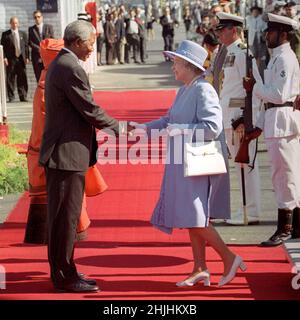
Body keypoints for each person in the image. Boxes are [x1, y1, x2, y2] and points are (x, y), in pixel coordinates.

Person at [131, 40, 246, 287]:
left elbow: (212, 128)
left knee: (195, 218)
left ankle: (230, 257)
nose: (173, 67)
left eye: (176, 63)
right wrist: (144, 129)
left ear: (189, 66)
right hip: (184, 163)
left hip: (197, 164)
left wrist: (181, 130)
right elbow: (168, 120)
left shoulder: (203, 90)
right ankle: (200, 268)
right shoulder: (185, 89)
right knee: (192, 218)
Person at [39, 20, 133, 293]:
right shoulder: (69, 67)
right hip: (66, 155)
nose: (93, 48)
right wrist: (120, 128)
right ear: (77, 42)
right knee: (65, 219)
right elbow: (89, 109)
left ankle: (65, 270)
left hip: (64, 153)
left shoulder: (63, 64)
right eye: (91, 43)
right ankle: (64, 277)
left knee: (63, 219)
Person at [24, 38, 107, 244]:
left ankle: (47, 239)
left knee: (49, 200)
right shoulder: (53, 84)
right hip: (59, 151)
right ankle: (65, 250)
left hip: (43, 149)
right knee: (67, 202)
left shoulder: (47, 78)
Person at [245, 13, 300, 246]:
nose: (267, 35)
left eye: (271, 32)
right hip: (275, 120)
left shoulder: (286, 59)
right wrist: (258, 124)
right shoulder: (277, 58)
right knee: (284, 175)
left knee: (285, 176)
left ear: (283, 34)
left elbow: (278, 95)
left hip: (283, 121)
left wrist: (255, 87)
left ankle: (285, 228)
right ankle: (294, 226)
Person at [214, 12, 261, 226]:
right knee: (239, 166)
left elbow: (254, 88)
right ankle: (244, 209)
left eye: (222, 30)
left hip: (239, 119)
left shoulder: (243, 54)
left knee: (246, 165)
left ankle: (249, 212)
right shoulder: (228, 52)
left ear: (234, 30)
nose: (219, 34)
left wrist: (247, 119)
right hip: (228, 117)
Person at [0, 17, 29, 102]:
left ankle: (23, 96)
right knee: (10, 78)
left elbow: (26, 47)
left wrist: (27, 57)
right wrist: (4, 57)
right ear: (10, 24)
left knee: (22, 78)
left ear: (18, 24)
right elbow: (2, 47)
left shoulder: (23, 34)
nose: (14, 25)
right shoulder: (5, 34)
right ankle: (11, 97)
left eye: (16, 23)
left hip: (21, 59)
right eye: (13, 23)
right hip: (10, 59)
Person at [28, 10, 54, 82]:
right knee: (39, 78)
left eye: (38, 17)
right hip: (37, 57)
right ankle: (41, 93)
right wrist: (40, 49)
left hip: (47, 57)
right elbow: (30, 42)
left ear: (42, 17)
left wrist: (45, 49)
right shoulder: (31, 29)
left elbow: (52, 40)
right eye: (35, 17)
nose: (37, 19)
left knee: (49, 77)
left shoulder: (49, 27)